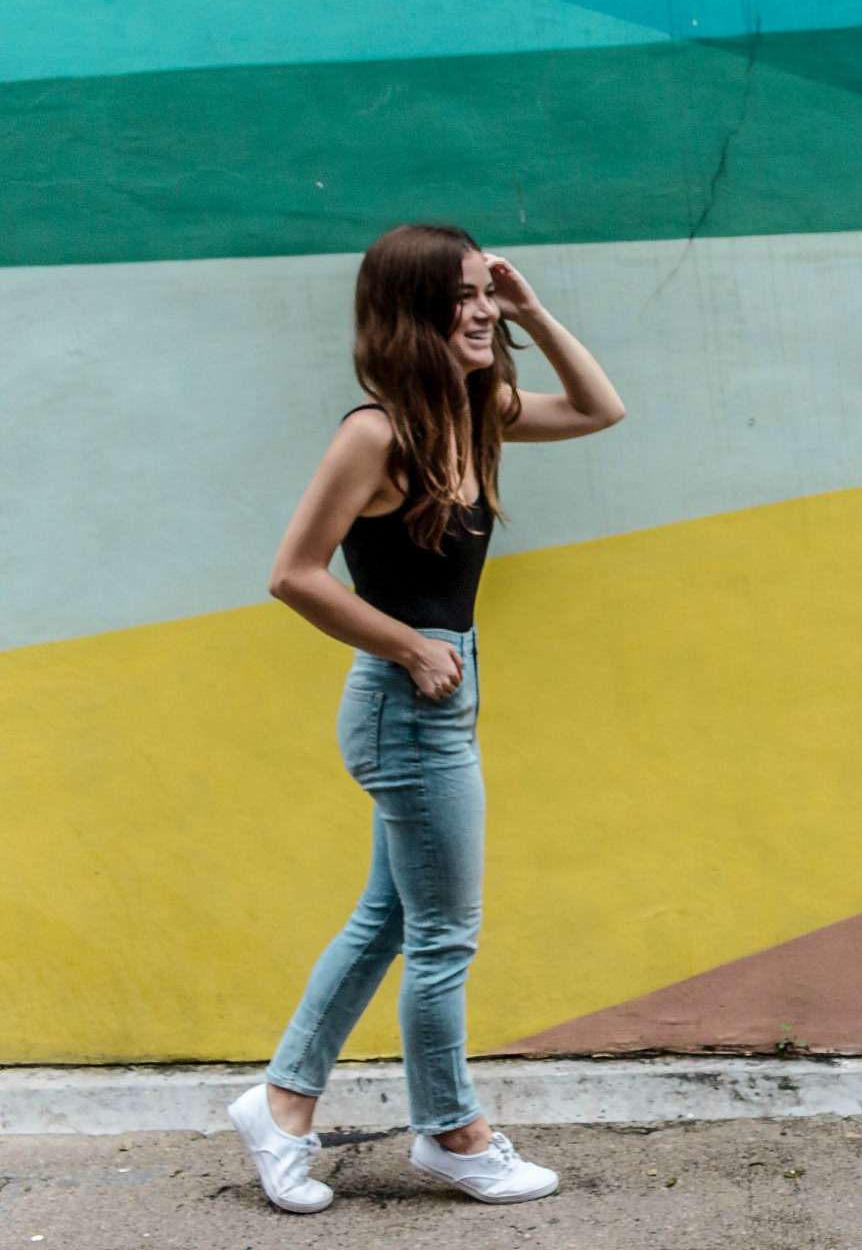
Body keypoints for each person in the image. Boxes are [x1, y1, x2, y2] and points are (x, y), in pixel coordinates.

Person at [225, 223, 625, 1213]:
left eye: (487, 290)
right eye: (463, 295)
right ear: (411, 312)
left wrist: (530, 307)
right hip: (410, 702)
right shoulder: (376, 432)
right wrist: (407, 644)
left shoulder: (472, 411)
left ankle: (278, 1104)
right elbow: (293, 575)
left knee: (388, 920)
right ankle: (453, 1132)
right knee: (444, 932)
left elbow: (597, 407)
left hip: (439, 694)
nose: (482, 307)